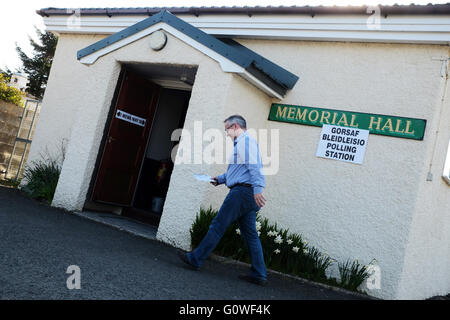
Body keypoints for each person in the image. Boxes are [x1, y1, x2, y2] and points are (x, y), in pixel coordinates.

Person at [177, 115, 268, 286]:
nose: (226, 133)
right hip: (246, 193)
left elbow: (254, 168)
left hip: (241, 193)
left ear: (235, 126)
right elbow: (239, 172)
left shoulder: (244, 142)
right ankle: (259, 273)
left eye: (226, 129)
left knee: (218, 226)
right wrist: (219, 179)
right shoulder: (244, 143)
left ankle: (195, 259)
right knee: (250, 235)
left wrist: (258, 190)